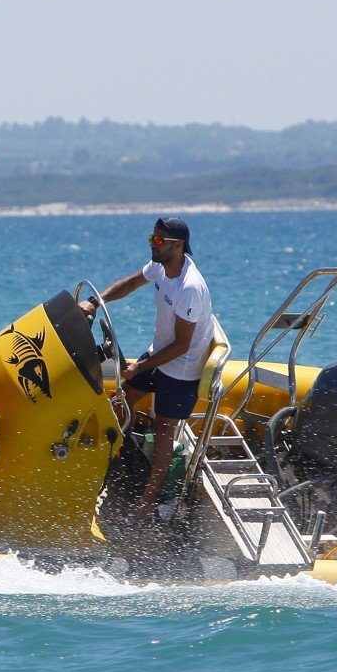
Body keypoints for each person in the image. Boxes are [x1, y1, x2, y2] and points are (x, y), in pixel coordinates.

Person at [79, 216, 214, 521]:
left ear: (177, 246)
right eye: (151, 239)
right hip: (158, 355)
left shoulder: (190, 287)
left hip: (181, 369)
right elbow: (129, 284)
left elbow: (182, 345)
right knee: (119, 402)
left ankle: (146, 502)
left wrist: (140, 366)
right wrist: (94, 302)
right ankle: (109, 465)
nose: (152, 245)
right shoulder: (160, 266)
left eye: (158, 241)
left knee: (164, 431)